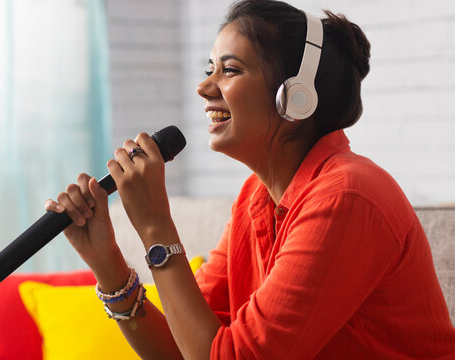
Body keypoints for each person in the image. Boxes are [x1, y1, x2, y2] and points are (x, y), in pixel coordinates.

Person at [45, 0, 455, 358]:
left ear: (295, 95)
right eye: (210, 69)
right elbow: (183, 347)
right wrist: (108, 265)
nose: (204, 87)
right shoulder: (253, 200)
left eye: (230, 70)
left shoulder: (346, 197)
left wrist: (155, 226)